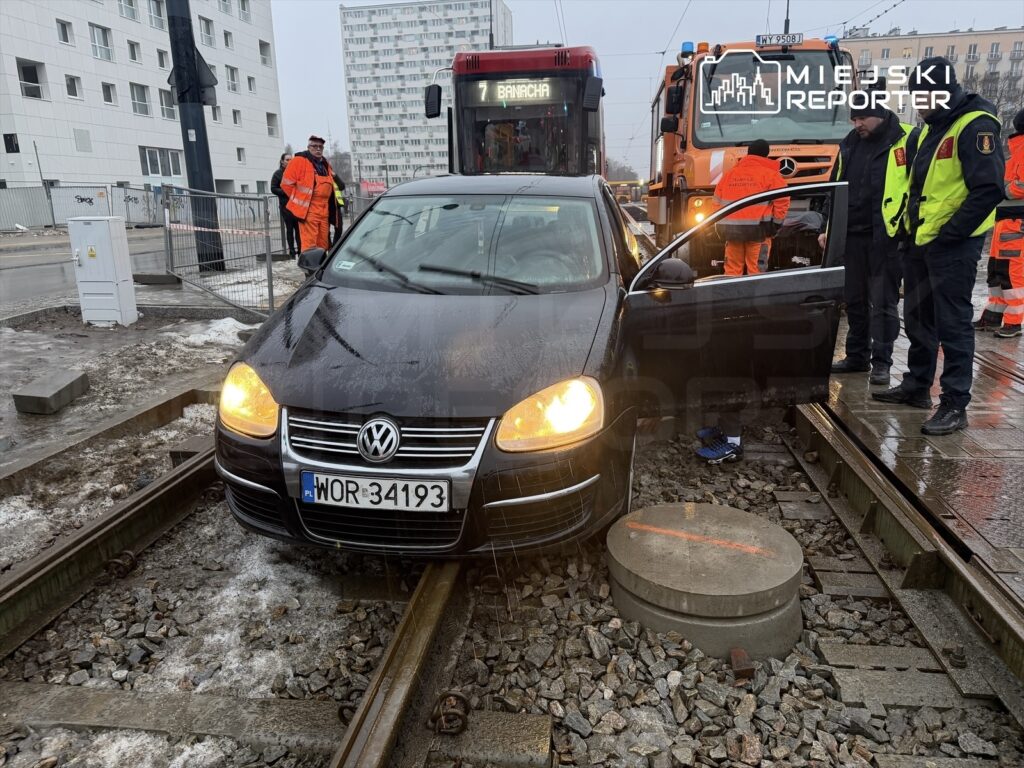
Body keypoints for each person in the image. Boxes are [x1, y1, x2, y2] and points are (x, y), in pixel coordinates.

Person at [872, 57, 1005, 436]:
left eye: (923, 96)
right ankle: (917, 386)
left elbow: (988, 189)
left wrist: (950, 235)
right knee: (918, 317)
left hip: (953, 246)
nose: (918, 103)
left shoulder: (975, 125)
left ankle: (954, 403)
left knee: (953, 323)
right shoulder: (932, 128)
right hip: (920, 241)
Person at [826, 103, 915, 386]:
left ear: (880, 115)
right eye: (854, 119)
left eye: (862, 118)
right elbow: (835, 187)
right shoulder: (850, 143)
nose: (857, 124)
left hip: (887, 237)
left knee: (883, 302)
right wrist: (828, 226)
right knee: (854, 299)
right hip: (852, 236)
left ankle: (882, 363)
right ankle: (857, 356)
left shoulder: (906, 139)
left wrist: (907, 228)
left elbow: (919, 185)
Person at [975, 108, 1024, 338]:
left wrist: (1002, 190)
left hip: (1016, 222)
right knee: (996, 271)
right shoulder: (1016, 152)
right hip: (1005, 220)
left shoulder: (1020, 152)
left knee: (1013, 274)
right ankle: (993, 316)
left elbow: (1017, 186)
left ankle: (1014, 323)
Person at [711, 139, 790, 276]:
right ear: (766, 155)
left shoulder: (729, 175)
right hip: (759, 231)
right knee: (756, 271)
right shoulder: (771, 175)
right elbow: (782, 200)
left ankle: (731, 290)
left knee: (732, 272)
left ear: (748, 153)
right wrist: (776, 225)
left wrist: (719, 225)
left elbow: (716, 202)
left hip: (731, 231)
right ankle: (754, 291)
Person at [280, 135, 341, 252]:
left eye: (321, 147)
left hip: (324, 211)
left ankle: (321, 263)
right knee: (310, 245)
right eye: (314, 146)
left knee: (323, 244)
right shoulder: (299, 161)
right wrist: (300, 202)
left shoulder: (325, 164)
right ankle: (309, 264)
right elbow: (286, 184)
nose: (318, 149)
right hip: (309, 210)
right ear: (308, 147)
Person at [271, 152, 300, 258]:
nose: (290, 161)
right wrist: (285, 192)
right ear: (282, 161)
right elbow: (273, 188)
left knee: (299, 229)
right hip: (286, 206)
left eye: (291, 159)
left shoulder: (295, 172)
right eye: (287, 160)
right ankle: (292, 252)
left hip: (297, 205)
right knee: (290, 229)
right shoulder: (278, 174)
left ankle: (301, 250)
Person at [329, 172, 346, 246]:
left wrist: (335, 176)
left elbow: (342, 186)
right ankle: (329, 247)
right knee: (325, 231)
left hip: (335, 207)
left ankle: (334, 246)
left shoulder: (332, 175)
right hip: (324, 207)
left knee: (339, 228)